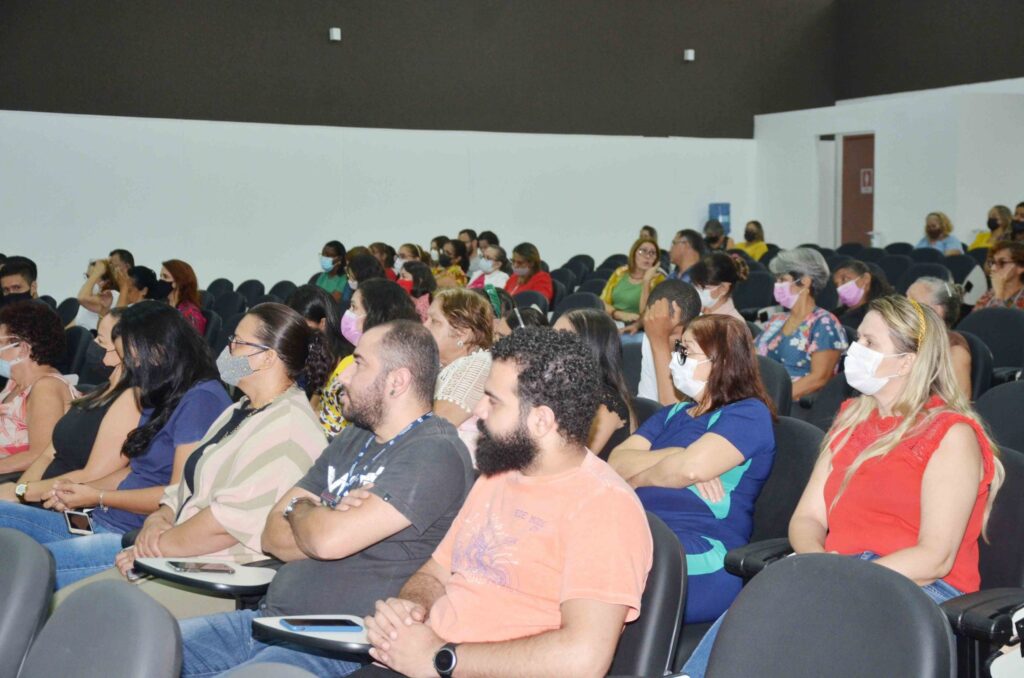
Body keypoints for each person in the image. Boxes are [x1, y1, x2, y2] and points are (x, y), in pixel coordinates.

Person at [682, 296, 1003, 678]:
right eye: (858, 338)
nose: (855, 349)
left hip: (921, 588)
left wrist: (839, 580)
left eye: (870, 342)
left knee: (811, 628)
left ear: (906, 362)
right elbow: (808, 518)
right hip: (840, 568)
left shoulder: (950, 435)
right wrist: (819, 563)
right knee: (762, 601)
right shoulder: (852, 420)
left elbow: (935, 557)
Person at [177, 320, 475, 676]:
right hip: (267, 623)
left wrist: (308, 513)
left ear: (397, 381)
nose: (343, 376)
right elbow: (271, 535)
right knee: (145, 648)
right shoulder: (355, 436)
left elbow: (326, 541)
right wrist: (321, 514)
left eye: (359, 364)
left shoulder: (434, 452)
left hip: (335, 649)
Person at [357, 328, 653, 678]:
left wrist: (440, 659)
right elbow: (436, 571)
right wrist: (410, 609)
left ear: (541, 420)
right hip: (422, 660)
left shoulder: (605, 508)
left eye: (493, 400)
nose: (478, 410)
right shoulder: (500, 473)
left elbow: (583, 658)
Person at [60, 303, 332, 618]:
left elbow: (225, 525)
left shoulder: (288, 430)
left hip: (217, 573)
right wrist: (160, 518)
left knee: (73, 612)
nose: (227, 351)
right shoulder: (241, 409)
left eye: (238, 342)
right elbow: (185, 486)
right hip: (177, 554)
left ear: (267, 357)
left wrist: (155, 547)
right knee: (61, 602)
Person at [0, 301, 231, 588]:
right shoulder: (162, 390)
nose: (128, 367)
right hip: (99, 519)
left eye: (130, 357)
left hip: (128, 534)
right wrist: (80, 492)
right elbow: (132, 470)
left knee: (17, 568)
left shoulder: (200, 399)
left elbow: (177, 494)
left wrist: (98, 496)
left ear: (158, 350)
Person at [610, 314, 776, 623]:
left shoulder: (749, 414)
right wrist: (676, 455)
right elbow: (616, 463)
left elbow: (689, 469)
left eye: (686, 351)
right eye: (678, 348)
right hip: (638, 527)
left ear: (721, 362)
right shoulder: (673, 413)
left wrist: (637, 479)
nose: (677, 358)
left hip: (700, 547)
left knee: (598, 567)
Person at [0, 309, 138, 503]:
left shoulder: (127, 403)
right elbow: (48, 454)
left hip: (49, 495)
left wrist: (20, 493)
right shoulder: (97, 394)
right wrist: (18, 494)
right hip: (29, 491)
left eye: (100, 340)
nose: (93, 345)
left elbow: (92, 474)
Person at [322, 279, 420, 438]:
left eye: (354, 307)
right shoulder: (350, 359)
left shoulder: (384, 368)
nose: (348, 313)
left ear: (375, 314)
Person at [756, 248, 848, 399]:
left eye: (782, 280)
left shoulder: (824, 324)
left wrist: (771, 400)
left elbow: (818, 379)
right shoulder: (777, 320)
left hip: (793, 403)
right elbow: (752, 357)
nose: (777, 285)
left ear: (805, 282)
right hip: (762, 397)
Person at [0, 302, 76, 473]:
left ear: (22, 348)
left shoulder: (46, 388)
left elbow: (40, 456)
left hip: (13, 479)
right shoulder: (14, 382)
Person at [553, 308, 636, 457]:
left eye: (562, 340)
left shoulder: (605, 404)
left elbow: (572, 460)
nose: (550, 346)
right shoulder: (559, 390)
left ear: (588, 349)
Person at [426, 289, 494, 458]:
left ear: (462, 333)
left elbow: (432, 430)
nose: (424, 326)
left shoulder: (479, 364)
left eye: (434, 321)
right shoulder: (441, 365)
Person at [637, 280, 702, 405]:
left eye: (671, 334)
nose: (661, 336)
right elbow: (648, 399)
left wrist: (659, 343)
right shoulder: (655, 330)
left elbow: (675, 409)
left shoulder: (706, 341)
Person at [907, 277, 972, 398]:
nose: (903, 307)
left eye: (912, 303)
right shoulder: (904, 339)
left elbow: (957, 404)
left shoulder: (955, 352)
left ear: (936, 311)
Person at [600, 237, 666, 328]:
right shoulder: (620, 272)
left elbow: (646, 314)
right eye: (643, 251)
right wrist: (617, 313)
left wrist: (646, 281)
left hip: (637, 327)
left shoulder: (659, 279)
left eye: (652, 253)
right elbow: (602, 302)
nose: (647, 256)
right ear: (633, 254)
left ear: (656, 259)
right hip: (612, 321)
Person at [832, 259, 895, 327]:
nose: (839, 288)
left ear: (866, 278)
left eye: (844, 279)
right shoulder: (837, 313)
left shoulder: (878, 315)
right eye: (836, 284)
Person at [690, 252, 749, 321]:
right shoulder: (696, 313)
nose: (695, 290)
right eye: (695, 285)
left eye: (702, 288)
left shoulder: (733, 324)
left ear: (724, 288)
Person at [973, 241, 1024, 310]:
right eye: (992, 262)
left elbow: (1000, 317)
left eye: (1002, 263)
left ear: (1020, 267)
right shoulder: (990, 294)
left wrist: (998, 296)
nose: (993, 268)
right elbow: (975, 316)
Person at [160, 259, 206, 335]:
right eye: (160, 276)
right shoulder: (162, 306)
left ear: (179, 282)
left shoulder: (190, 314)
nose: (160, 280)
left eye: (165, 277)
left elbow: (191, 341)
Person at [75, 258, 119, 330]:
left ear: (106, 281)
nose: (88, 281)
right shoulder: (89, 295)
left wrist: (96, 273)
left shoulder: (111, 296)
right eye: (87, 276)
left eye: (91, 277)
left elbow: (81, 298)